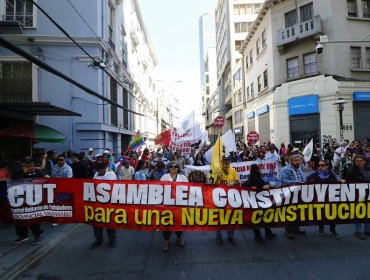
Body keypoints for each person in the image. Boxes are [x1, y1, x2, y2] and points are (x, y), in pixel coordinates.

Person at [306, 160, 341, 239]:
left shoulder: (331, 173)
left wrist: (340, 181)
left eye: (322, 165)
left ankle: (332, 230)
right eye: (319, 165)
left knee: (332, 213)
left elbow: (337, 180)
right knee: (320, 212)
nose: (320, 167)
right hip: (319, 197)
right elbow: (307, 179)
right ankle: (321, 229)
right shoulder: (315, 173)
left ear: (327, 166)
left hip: (330, 197)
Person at [243, 164, 277, 244]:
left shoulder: (255, 178)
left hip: (259, 202)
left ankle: (268, 233)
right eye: (259, 169)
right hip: (256, 202)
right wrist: (263, 188)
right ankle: (258, 235)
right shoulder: (253, 180)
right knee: (257, 219)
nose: (260, 170)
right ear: (257, 170)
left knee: (263, 218)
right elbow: (253, 189)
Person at [160, 162, 188, 252]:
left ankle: (179, 238)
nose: (173, 168)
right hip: (167, 205)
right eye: (171, 166)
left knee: (179, 222)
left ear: (178, 168)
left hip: (179, 204)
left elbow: (188, 189)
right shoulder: (164, 177)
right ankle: (166, 240)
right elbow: (159, 189)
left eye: (175, 166)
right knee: (167, 223)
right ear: (168, 168)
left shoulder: (182, 177)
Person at [91, 161, 117, 249]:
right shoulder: (96, 175)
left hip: (109, 203)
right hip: (97, 203)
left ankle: (112, 240)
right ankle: (98, 239)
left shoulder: (111, 175)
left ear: (104, 169)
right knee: (96, 223)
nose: (99, 172)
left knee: (109, 223)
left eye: (100, 170)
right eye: (97, 170)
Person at [215, 155, 240, 246]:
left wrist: (234, 182)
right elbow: (210, 184)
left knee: (231, 218)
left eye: (228, 161)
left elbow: (238, 182)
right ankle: (219, 236)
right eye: (225, 161)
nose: (227, 163)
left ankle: (230, 236)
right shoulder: (217, 170)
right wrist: (217, 177)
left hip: (231, 198)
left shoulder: (233, 170)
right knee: (220, 218)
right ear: (222, 161)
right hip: (220, 198)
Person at [280, 154, 306, 240]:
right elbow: (283, 180)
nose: (298, 162)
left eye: (299, 160)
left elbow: (303, 179)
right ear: (291, 161)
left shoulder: (299, 168)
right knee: (290, 211)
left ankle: (296, 227)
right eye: (296, 161)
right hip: (290, 193)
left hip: (299, 193)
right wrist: (296, 183)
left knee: (298, 210)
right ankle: (288, 230)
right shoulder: (285, 170)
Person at [344, 155, 370, 240]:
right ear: (354, 162)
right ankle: (358, 230)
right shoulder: (351, 171)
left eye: (361, 160)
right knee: (359, 212)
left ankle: (367, 230)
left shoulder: (368, 169)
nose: (359, 162)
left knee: (368, 212)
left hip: (368, 194)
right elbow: (348, 184)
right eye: (357, 161)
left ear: (365, 161)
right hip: (357, 195)